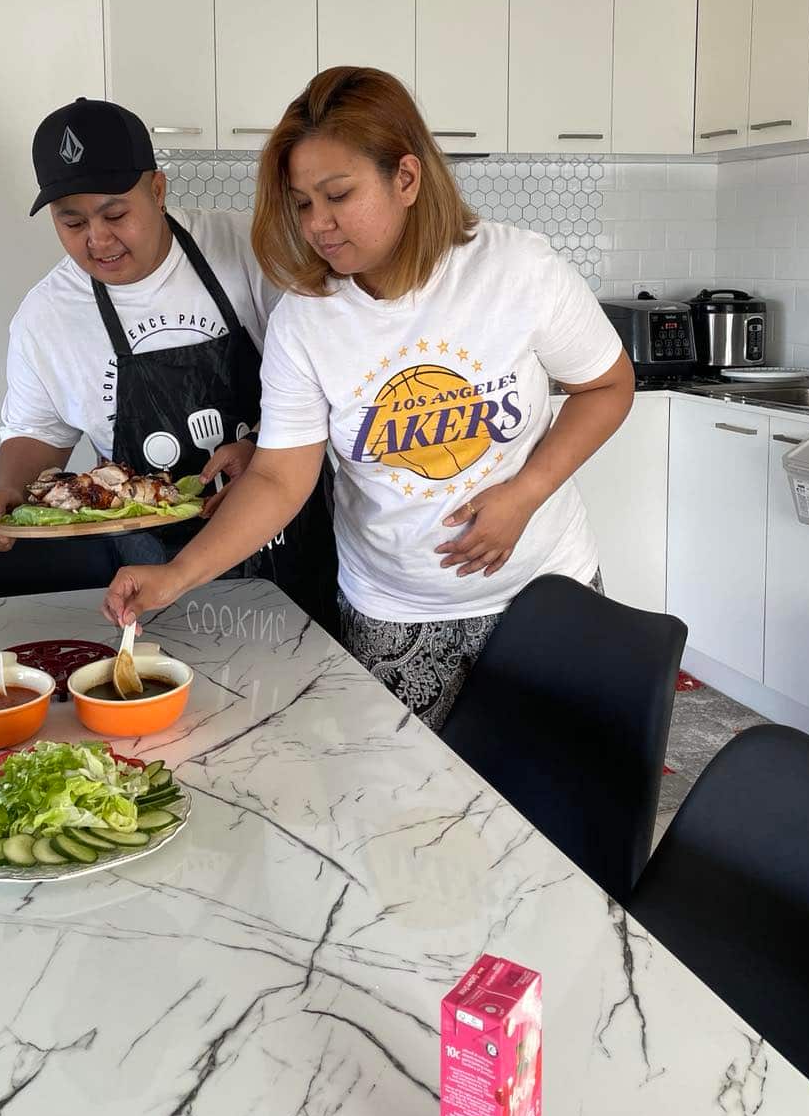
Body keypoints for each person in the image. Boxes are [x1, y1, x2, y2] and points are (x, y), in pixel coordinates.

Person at [103, 67, 634, 728]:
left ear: (405, 179)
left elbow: (608, 386)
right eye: (302, 203)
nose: (318, 224)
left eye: (338, 195)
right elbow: (277, 478)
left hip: (544, 593)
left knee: (559, 805)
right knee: (404, 810)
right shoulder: (307, 316)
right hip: (392, 611)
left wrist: (524, 494)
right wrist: (176, 575)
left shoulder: (516, 270)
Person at [0, 95, 338, 618]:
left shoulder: (249, 249)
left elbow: (329, 376)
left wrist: (267, 452)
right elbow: (38, 431)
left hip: (289, 546)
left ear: (157, 190)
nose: (98, 239)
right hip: (151, 577)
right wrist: (9, 491)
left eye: (116, 213)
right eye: (71, 223)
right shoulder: (46, 317)